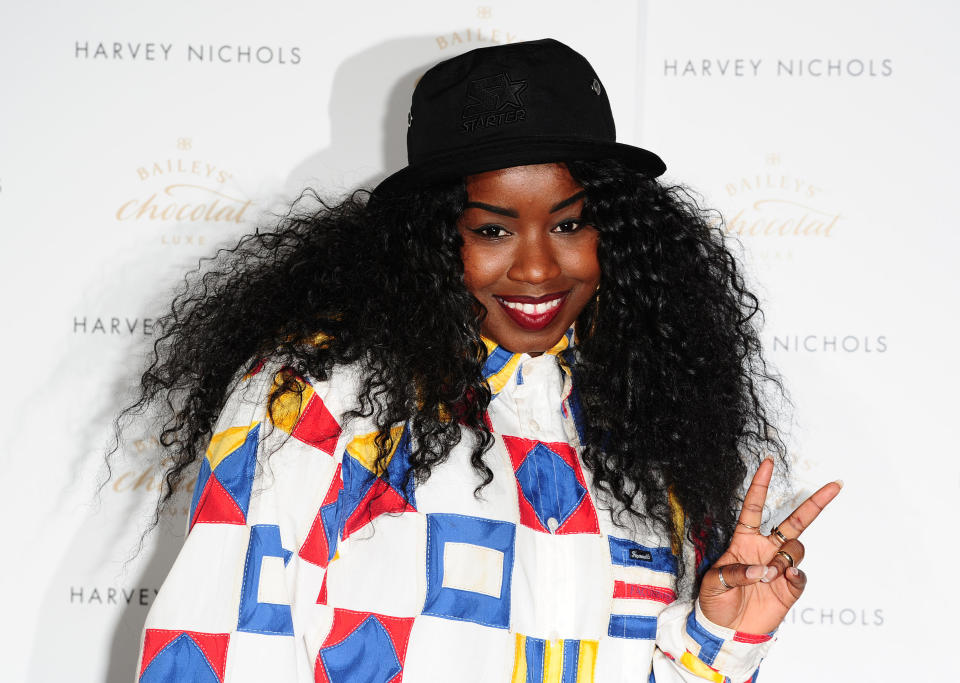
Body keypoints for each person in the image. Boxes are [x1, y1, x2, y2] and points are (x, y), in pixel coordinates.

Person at [127, 39, 841, 682]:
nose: (536, 267)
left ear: (617, 232)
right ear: (434, 239)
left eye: (569, 223)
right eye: (493, 229)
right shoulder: (316, 397)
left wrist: (720, 639)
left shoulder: (651, 433)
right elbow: (212, 651)